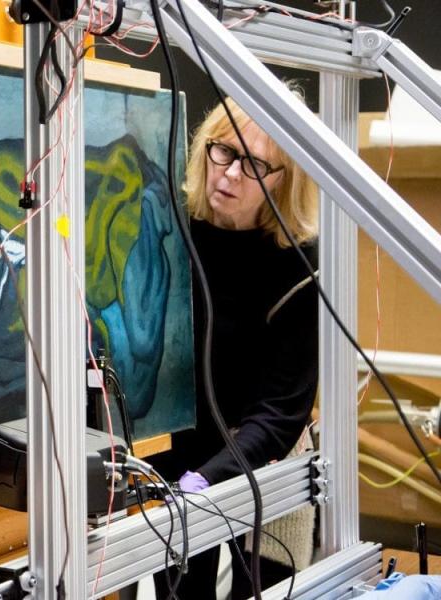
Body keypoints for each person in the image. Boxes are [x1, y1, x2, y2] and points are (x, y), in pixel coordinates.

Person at [152, 92, 319, 600]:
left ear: (285, 180)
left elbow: (280, 413)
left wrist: (204, 482)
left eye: (253, 164)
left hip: (264, 460)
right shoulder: (168, 232)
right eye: (221, 151)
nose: (227, 175)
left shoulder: (301, 269)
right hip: (174, 460)